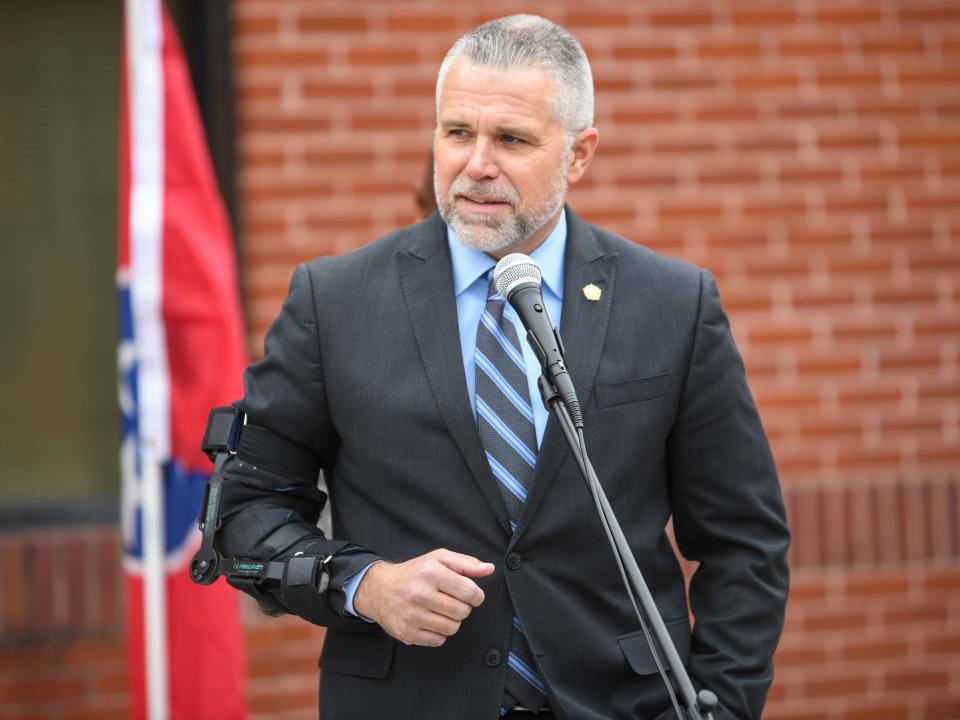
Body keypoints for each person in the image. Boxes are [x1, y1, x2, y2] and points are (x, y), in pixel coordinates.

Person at [214, 15, 790, 720]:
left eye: (511, 139)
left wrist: (723, 708)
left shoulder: (674, 304)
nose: (476, 163)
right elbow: (245, 514)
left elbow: (745, 541)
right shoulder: (332, 303)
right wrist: (365, 584)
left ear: (580, 155)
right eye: (457, 132)